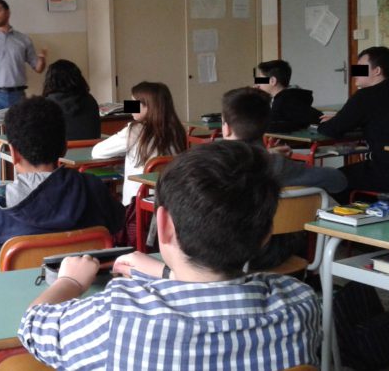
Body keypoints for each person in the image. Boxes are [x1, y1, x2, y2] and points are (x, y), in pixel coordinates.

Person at [18, 141, 322, 370]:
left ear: (162, 225)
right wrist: (166, 273)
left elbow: (32, 327)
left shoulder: (116, 317)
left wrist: (70, 280)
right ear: (267, 235)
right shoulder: (301, 303)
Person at [0, 96, 124, 270]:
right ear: (65, 148)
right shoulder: (93, 188)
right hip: (84, 297)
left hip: (19, 304)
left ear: (13, 153)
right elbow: (118, 221)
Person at [222, 87, 347, 269]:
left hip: (218, 256)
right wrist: (269, 155)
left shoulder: (207, 163)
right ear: (267, 125)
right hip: (268, 256)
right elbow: (339, 181)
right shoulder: (279, 166)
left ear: (225, 128)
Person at [318, 46, 389, 197]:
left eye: (360, 68)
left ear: (377, 71)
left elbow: (331, 130)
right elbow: (382, 118)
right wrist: (343, 118)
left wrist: (328, 121)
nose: (355, 73)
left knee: (333, 179)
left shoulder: (365, 96)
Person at [91, 81, 186, 206]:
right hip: (169, 199)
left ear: (149, 106)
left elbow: (98, 152)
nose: (130, 106)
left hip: (136, 202)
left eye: (134, 103)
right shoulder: (177, 129)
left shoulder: (135, 130)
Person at [254, 59, 322, 132]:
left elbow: (269, 125)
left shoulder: (284, 101)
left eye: (260, 79)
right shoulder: (289, 96)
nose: (257, 83)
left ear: (272, 81)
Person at [42, 59, 101, 141]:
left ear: (49, 80)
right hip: (89, 150)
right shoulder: (90, 100)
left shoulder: (45, 105)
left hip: (59, 153)